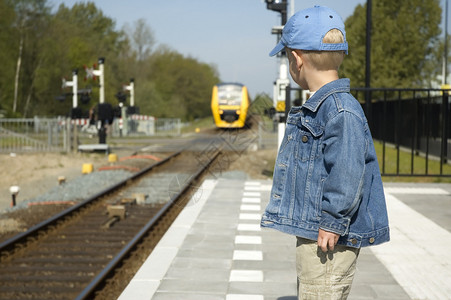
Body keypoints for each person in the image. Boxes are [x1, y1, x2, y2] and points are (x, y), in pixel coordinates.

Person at [260, 5, 390, 299]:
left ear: (296, 60)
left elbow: (347, 172)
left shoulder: (340, 111)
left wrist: (332, 221)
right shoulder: (325, 108)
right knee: (312, 290)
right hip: (318, 230)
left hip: (330, 235)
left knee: (320, 291)